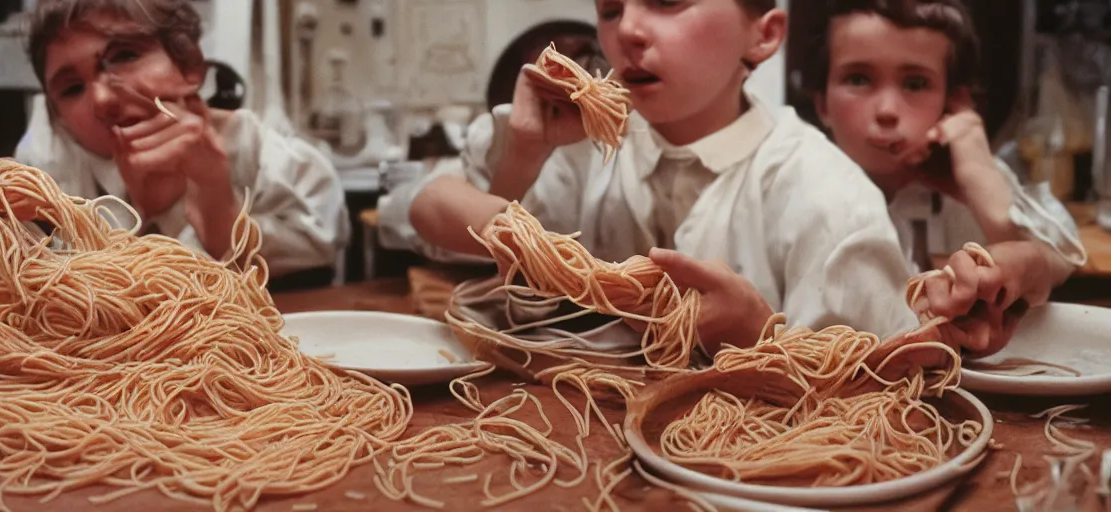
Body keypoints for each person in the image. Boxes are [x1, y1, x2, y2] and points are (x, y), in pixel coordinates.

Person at [378, 0, 921, 355]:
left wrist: (759, 338)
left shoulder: (826, 195)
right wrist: (522, 155)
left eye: (667, 1)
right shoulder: (580, 148)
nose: (629, 31)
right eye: (611, 9)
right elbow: (420, 210)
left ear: (763, 34)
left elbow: (881, 384)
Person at [803, 0, 1087, 355]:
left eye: (916, 83)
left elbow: (1062, 260)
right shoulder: (795, 189)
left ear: (954, 101)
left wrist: (982, 187)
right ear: (822, 103)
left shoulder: (970, 181)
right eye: (858, 79)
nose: (887, 111)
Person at [16, 0, 348, 282]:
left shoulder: (270, 161)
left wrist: (220, 213)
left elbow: (319, 253)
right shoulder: (47, 179)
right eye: (73, 89)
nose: (102, 99)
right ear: (57, 117)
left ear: (188, 63)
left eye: (125, 56)